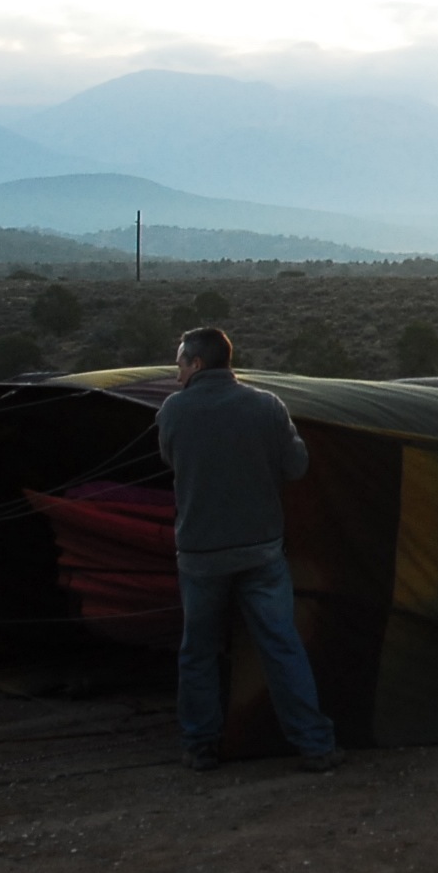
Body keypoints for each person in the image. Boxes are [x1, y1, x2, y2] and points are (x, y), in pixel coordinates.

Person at [156, 325, 339, 773]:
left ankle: (201, 747)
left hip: (200, 557)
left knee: (198, 653)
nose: (177, 374)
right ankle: (315, 746)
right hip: (260, 552)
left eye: (180, 364)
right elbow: (296, 467)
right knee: (281, 646)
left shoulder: (173, 411)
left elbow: (170, 460)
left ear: (197, 363)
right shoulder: (267, 405)